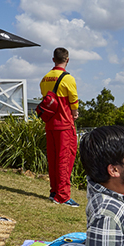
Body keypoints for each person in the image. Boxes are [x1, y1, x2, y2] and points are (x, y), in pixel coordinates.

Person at [40, 47, 79, 207]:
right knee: (65, 159)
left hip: (50, 125)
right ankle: (63, 196)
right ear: (67, 60)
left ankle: (54, 191)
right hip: (64, 125)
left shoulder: (45, 78)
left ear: (53, 60)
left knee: (54, 159)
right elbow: (74, 100)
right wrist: (75, 113)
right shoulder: (68, 79)